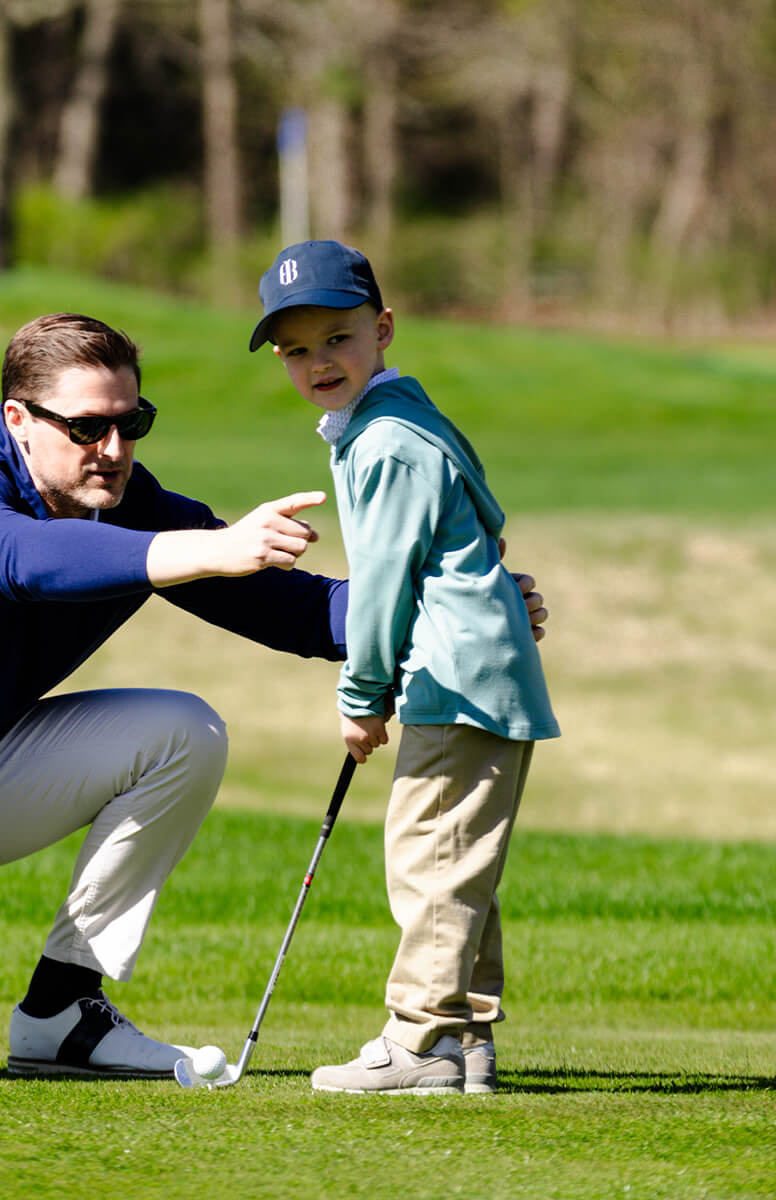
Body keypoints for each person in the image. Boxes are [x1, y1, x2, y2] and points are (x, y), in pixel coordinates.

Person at [0, 311, 548, 1085]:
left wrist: (463, 604)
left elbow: (298, 609)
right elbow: (16, 559)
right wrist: (203, 547)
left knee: (182, 731)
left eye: (133, 422)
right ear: (18, 420)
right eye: (87, 427)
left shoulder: (131, 507)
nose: (114, 448)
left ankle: (62, 1011)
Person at [249, 240, 560, 1096]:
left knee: (429, 856)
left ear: (382, 329)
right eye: (296, 348)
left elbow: (383, 582)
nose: (318, 361)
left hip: (453, 674)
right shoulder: (403, 417)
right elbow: (478, 535)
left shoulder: (383, 440)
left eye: (337, 338)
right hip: (472, 667)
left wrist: (361, 695)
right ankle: (462, 1038)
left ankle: (420, 1043)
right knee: (457, 861)